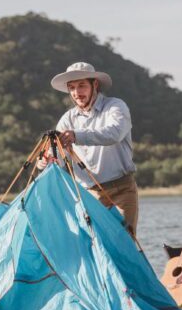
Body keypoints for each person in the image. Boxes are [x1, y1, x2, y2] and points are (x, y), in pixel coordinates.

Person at [40, 62, 139, 235]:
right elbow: (61, 160)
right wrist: (46, 161)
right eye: (72, 88)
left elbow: (113, 134)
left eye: (81, 86)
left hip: (121, 190)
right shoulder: (67, 119)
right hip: (88, 194)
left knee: (125, 243)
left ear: (95, 85)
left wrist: (77, 136)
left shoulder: (115, 106)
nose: (77, 93)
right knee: (94, 246)